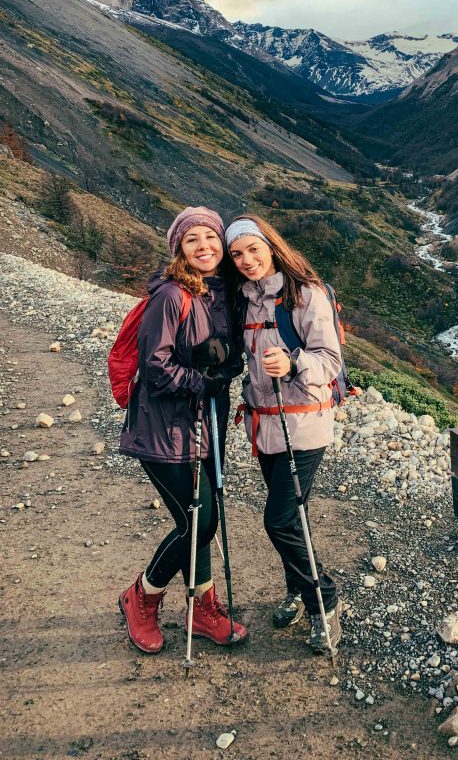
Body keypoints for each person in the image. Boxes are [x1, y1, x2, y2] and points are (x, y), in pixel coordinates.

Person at [118, 206, 247, 654]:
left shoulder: (225, 293)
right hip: (164, 428)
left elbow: (230, 360)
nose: (204, 247)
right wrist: (202, 379)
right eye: (192, 240)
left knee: (201, 519)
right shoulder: (171, 296)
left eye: (210, 238)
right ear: (179, 249)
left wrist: (224, 363)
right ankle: (143, 597)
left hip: (206, 421)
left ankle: (202, 608)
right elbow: (155, 366)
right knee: (200, 521)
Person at [225, 214, 342, 652]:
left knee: (278, 520)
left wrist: (294, 362)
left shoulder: (304, 294)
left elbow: (329, 361)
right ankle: (297, 588)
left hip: (304, 427)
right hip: (264, 428)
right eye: (237, 254)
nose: (247, 260)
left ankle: (323, 599)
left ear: (271, 246)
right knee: (295, 517)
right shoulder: (243, 300)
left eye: (253, 249)